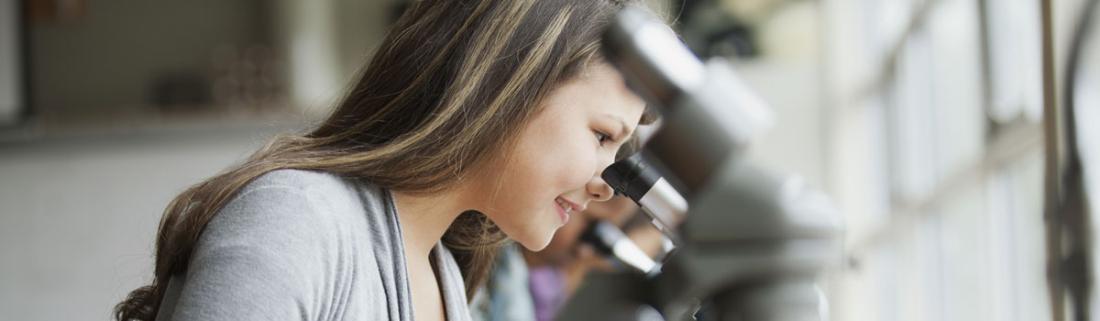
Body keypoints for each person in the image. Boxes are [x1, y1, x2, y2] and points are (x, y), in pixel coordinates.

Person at [113, 1, 659, 320]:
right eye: (602, 136)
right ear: (507, 89)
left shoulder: (446, 275)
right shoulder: (297, 221)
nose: (606, 185)